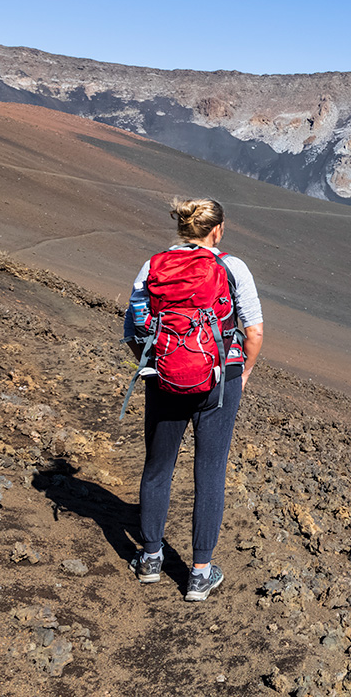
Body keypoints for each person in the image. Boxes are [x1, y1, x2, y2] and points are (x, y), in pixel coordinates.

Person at [124, 198, 264, 601]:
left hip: (164, 379)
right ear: (217, 229)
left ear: (183, 227)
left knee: (157, 466)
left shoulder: (153, 266)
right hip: (221, 382)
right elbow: (253, 332)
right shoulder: (232, 268)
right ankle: (199, 575)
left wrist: (156, 366)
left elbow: (134, 326)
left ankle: (151, 558)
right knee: (210, 472)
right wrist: (243, 371)